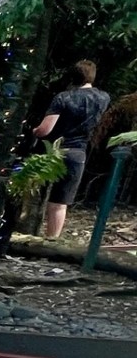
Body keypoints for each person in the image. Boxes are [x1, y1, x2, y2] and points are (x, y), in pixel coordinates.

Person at [32, 59, 111, 239]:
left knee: (34, 194)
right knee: (60, 202)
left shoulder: (63, 97)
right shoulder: (103, 98)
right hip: (78, 152)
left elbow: (45, 129)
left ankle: (27, 231)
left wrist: (35, 131)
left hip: (53, 151)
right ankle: (52, 239)